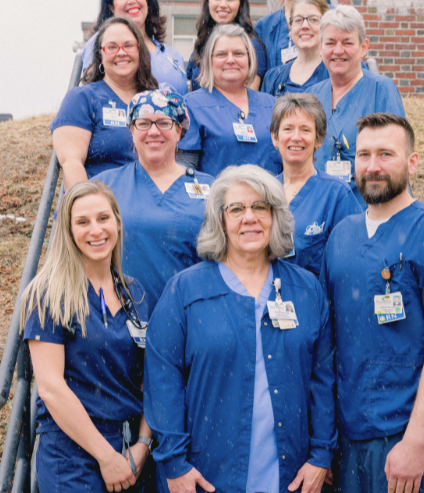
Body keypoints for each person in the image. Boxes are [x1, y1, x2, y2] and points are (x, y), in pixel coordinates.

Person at [144, 165, 336, 493]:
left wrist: (321, 455)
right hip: (206, 476)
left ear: (275, 216)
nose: (249, 217)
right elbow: (163, 378)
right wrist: (174, 463)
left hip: (289, 476)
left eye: (260, 206)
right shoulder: (185, 291)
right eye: (236, 209)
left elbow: (323, 378)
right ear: (220, 220)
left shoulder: (306, 289)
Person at [320, 114, 424, 493]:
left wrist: (414, 441)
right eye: (364, 155)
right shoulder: (341, 237)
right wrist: (323, 442)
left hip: (404, 438)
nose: (373, 166)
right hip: (347, 435)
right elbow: (328, 343)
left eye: (386, 154)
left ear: (412, 162)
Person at [21, 180, 156, 493]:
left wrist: (143, 444)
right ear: (68, 231)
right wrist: (105, 456)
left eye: (103, 218)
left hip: (129, 450)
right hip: (72, 455)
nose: (96, 230)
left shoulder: (133, 293)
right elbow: (52, 388)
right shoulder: (49, 294)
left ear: (118, 224)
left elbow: (150, 377)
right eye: (82, 222)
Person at [93, 89, 213, 304]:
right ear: (131, 130)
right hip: (122, 316)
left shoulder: (211, 189)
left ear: (179, 131)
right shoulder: (104, 186)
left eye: (164, 123)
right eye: (144, 123)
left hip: (193, 312)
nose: (154, 131)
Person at [306, 5, 405, 206]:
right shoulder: (312, 96)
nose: (338, 50)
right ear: (321, 47)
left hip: (368, 209)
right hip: (320, 208)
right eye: (331, 42)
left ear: (364, 47)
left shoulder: (381, 90)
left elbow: (396, 157)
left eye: (347, 42)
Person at [52, 16, 159, 187]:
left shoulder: (156, 101)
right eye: (111, 47)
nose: (121, 52)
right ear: (100, 55)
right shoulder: (82, 99)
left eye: (129, 45)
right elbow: (71, 163)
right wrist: (86, 209)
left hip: (147, 206)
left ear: (140, 51)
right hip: (99, 206)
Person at [270, 93, 362, 277]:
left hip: (316, 302)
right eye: (288, 129)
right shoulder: (263, 192)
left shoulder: (336, 194)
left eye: (305, 130)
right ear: (275, 137)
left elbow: (354, 259)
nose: (296, 137)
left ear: (318, 140)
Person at [178, 25, 282, 177]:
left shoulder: (272, 105)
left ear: (250, 59)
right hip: (216, 199)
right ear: (209, 61)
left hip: (268, 199)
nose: (231, 60)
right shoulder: (192, 106)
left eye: (238, 53)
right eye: (221, 54)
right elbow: (185, 171)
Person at [80, 0, 189, 94]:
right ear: (111, 7)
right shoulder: (101, 42)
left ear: (147, 1)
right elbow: (93, 88)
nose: (131, 1)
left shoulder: (172, 54)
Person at [186, 0, 269, 92]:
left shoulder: (252, 46)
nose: (223, 4)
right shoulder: (199, 47)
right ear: (208, 2)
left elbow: (249, 100)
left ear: (240, 4)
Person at [261, 0, 331, 97]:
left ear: (326, 27)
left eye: (313, 20)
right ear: (290, 28)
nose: (305, 26)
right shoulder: (272, 78)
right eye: (298, 20)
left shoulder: (336, 74)